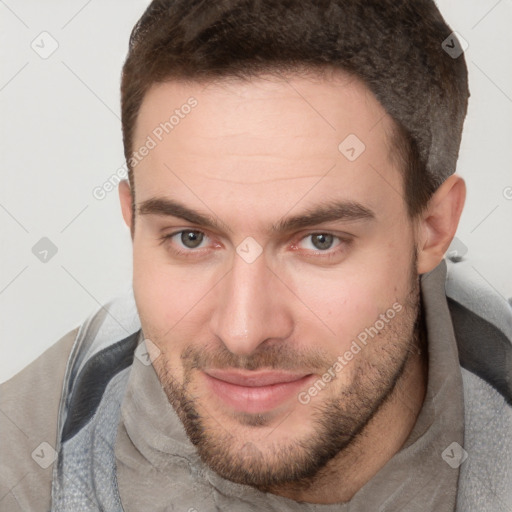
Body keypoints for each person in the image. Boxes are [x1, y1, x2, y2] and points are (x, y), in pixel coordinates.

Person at [1, 0, 511, 510]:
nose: (243, 332)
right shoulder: (27, 464)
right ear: (133, 222)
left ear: (433, 229)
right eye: (191, 238)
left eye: (319, 241)